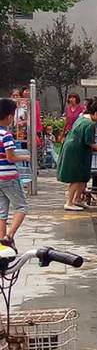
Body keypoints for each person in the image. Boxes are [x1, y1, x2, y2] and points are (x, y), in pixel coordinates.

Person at [57, 99, 97, 212]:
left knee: (82, 176)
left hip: (75, 149)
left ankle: (77, 199)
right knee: (76, 177)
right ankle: (69, 202)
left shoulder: (82, 118)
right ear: (96, 113)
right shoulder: (90, 124)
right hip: (76, 151)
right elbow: (90, 142)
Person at [0, 99, 30, 248]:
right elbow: (11, 157)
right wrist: (26, 157)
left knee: (1, 211)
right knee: (21, 207)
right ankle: (9, 235)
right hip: (9, 177)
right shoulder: (6, 135)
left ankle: (2, 244)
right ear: (10, 117)